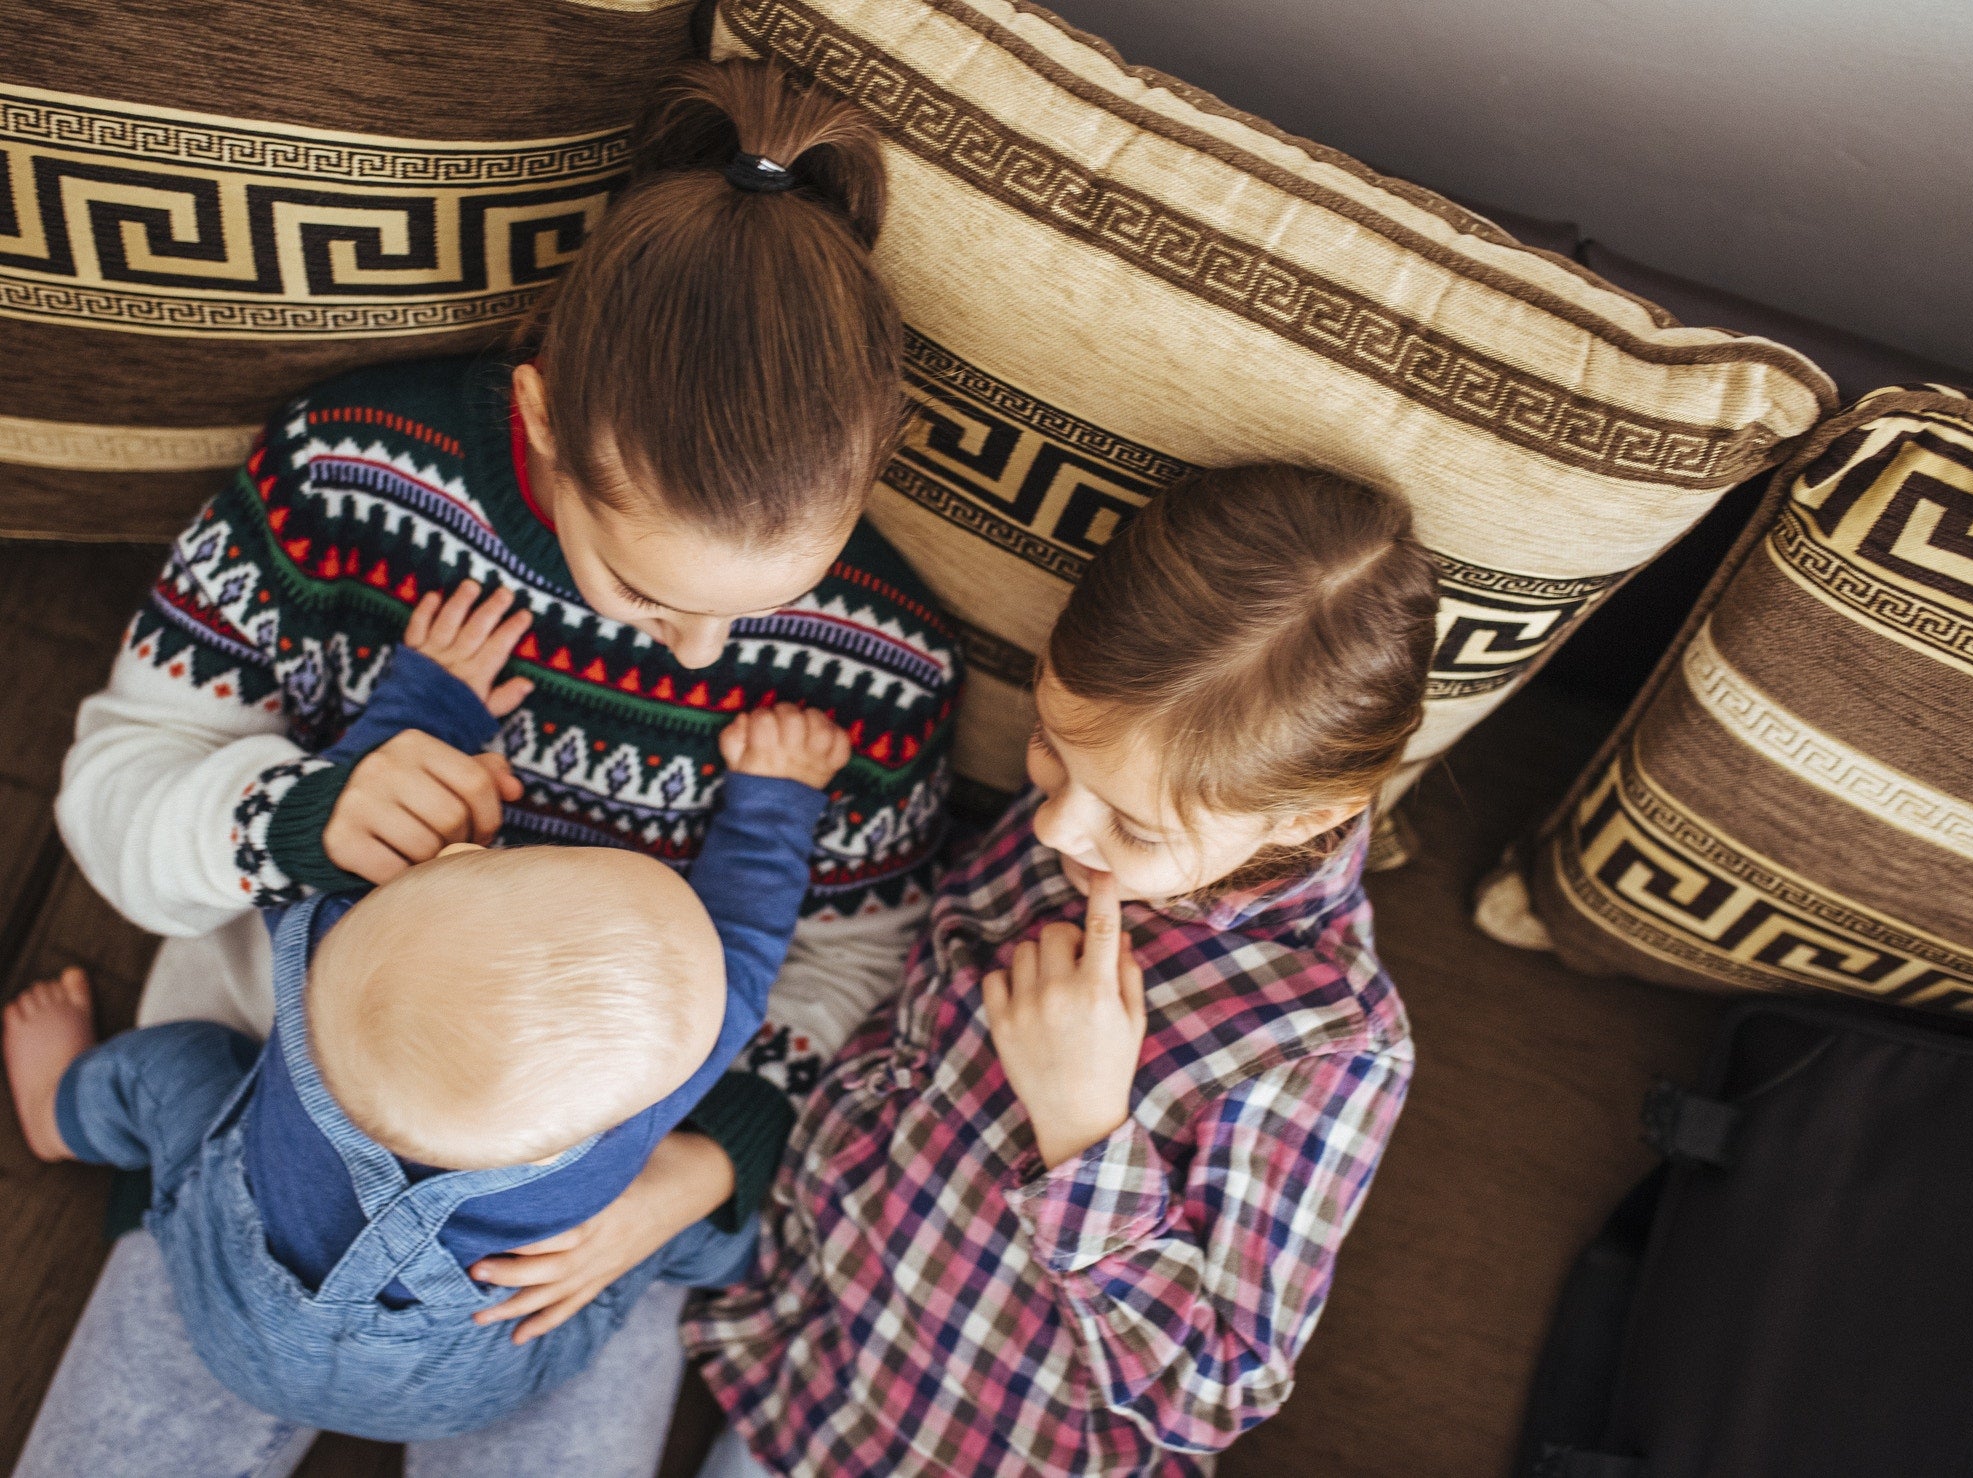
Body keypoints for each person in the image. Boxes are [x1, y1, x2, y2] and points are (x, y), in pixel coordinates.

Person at [21, 56, 954, 1477]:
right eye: (649, 591)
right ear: (536, 420)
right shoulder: (343, 484)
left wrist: (709, 1163)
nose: (706, 662)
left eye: (763, 601)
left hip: (598, 1206)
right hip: (281, 1134)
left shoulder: (877, 663)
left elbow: (853, 959)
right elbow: (116, 798)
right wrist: (298, 815)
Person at [482, 462, 1436, 1476]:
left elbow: (1215, 1388)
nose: (1060, 824)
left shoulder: (1326, 1042)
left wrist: (1082, 1131)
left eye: (1134, 824)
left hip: (977, 1444)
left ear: (1308, 817)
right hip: (810, 1350)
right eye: (1050, 747)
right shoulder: (1088, 809)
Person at [5, 585, 852, 1444]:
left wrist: (432, 696)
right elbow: (743, 948)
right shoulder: (635, 1114)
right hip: (479, 1377)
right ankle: (749, 1256)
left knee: (177, 1064)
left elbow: (350, 809)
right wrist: (775, 798)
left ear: (449, 857)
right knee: (656, 1241)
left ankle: (60, 1112)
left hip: (229, 1312)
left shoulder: (321, 937)